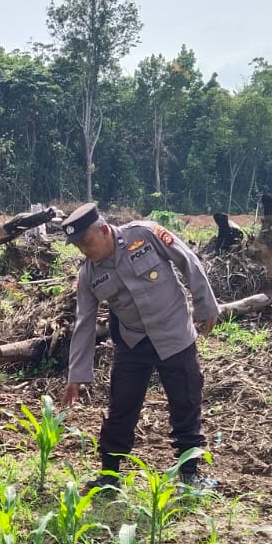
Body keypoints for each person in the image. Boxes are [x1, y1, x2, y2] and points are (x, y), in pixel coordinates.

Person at [56, 203, 222, 489]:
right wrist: (76, 376)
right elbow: (84, 323)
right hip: (133, 342)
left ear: (104, 230)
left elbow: (187, 260)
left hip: (174, 332)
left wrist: (206, 304)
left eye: (87, 242)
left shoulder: (145, 234)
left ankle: (189, 474)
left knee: (186, 401)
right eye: (79, 247)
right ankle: (109, 475)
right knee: (122, 407)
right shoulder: (89, 274)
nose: (85, 251)